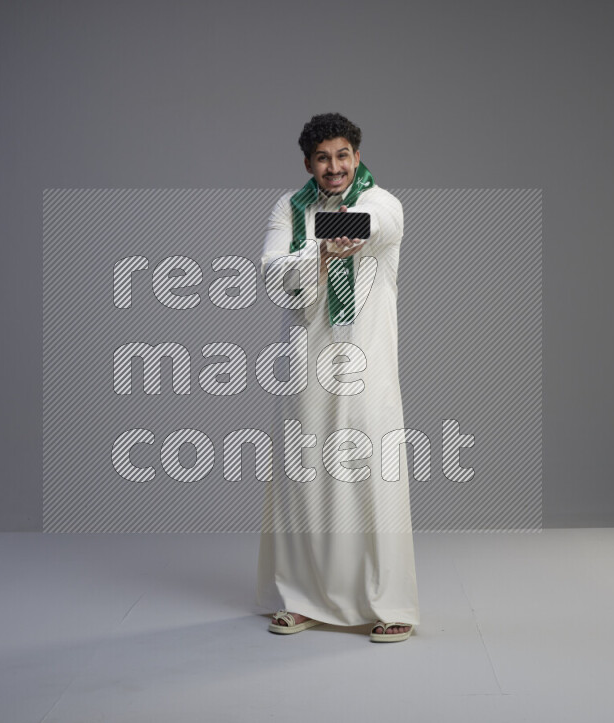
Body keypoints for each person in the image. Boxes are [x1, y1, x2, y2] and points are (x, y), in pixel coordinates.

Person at [255, 113, 420, 642]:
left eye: (343, 155)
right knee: (303, 476)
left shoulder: (382, 200)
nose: (334, 167)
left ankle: (390, 603)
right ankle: (302, 599)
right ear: (308, 163)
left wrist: (318, 243)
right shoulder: (287, 208)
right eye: (323, 158)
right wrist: (322, 249)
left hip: (365, 362)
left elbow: (374, 225)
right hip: (305, 362)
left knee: (374, 474)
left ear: (357, 156)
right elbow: (271, 275)